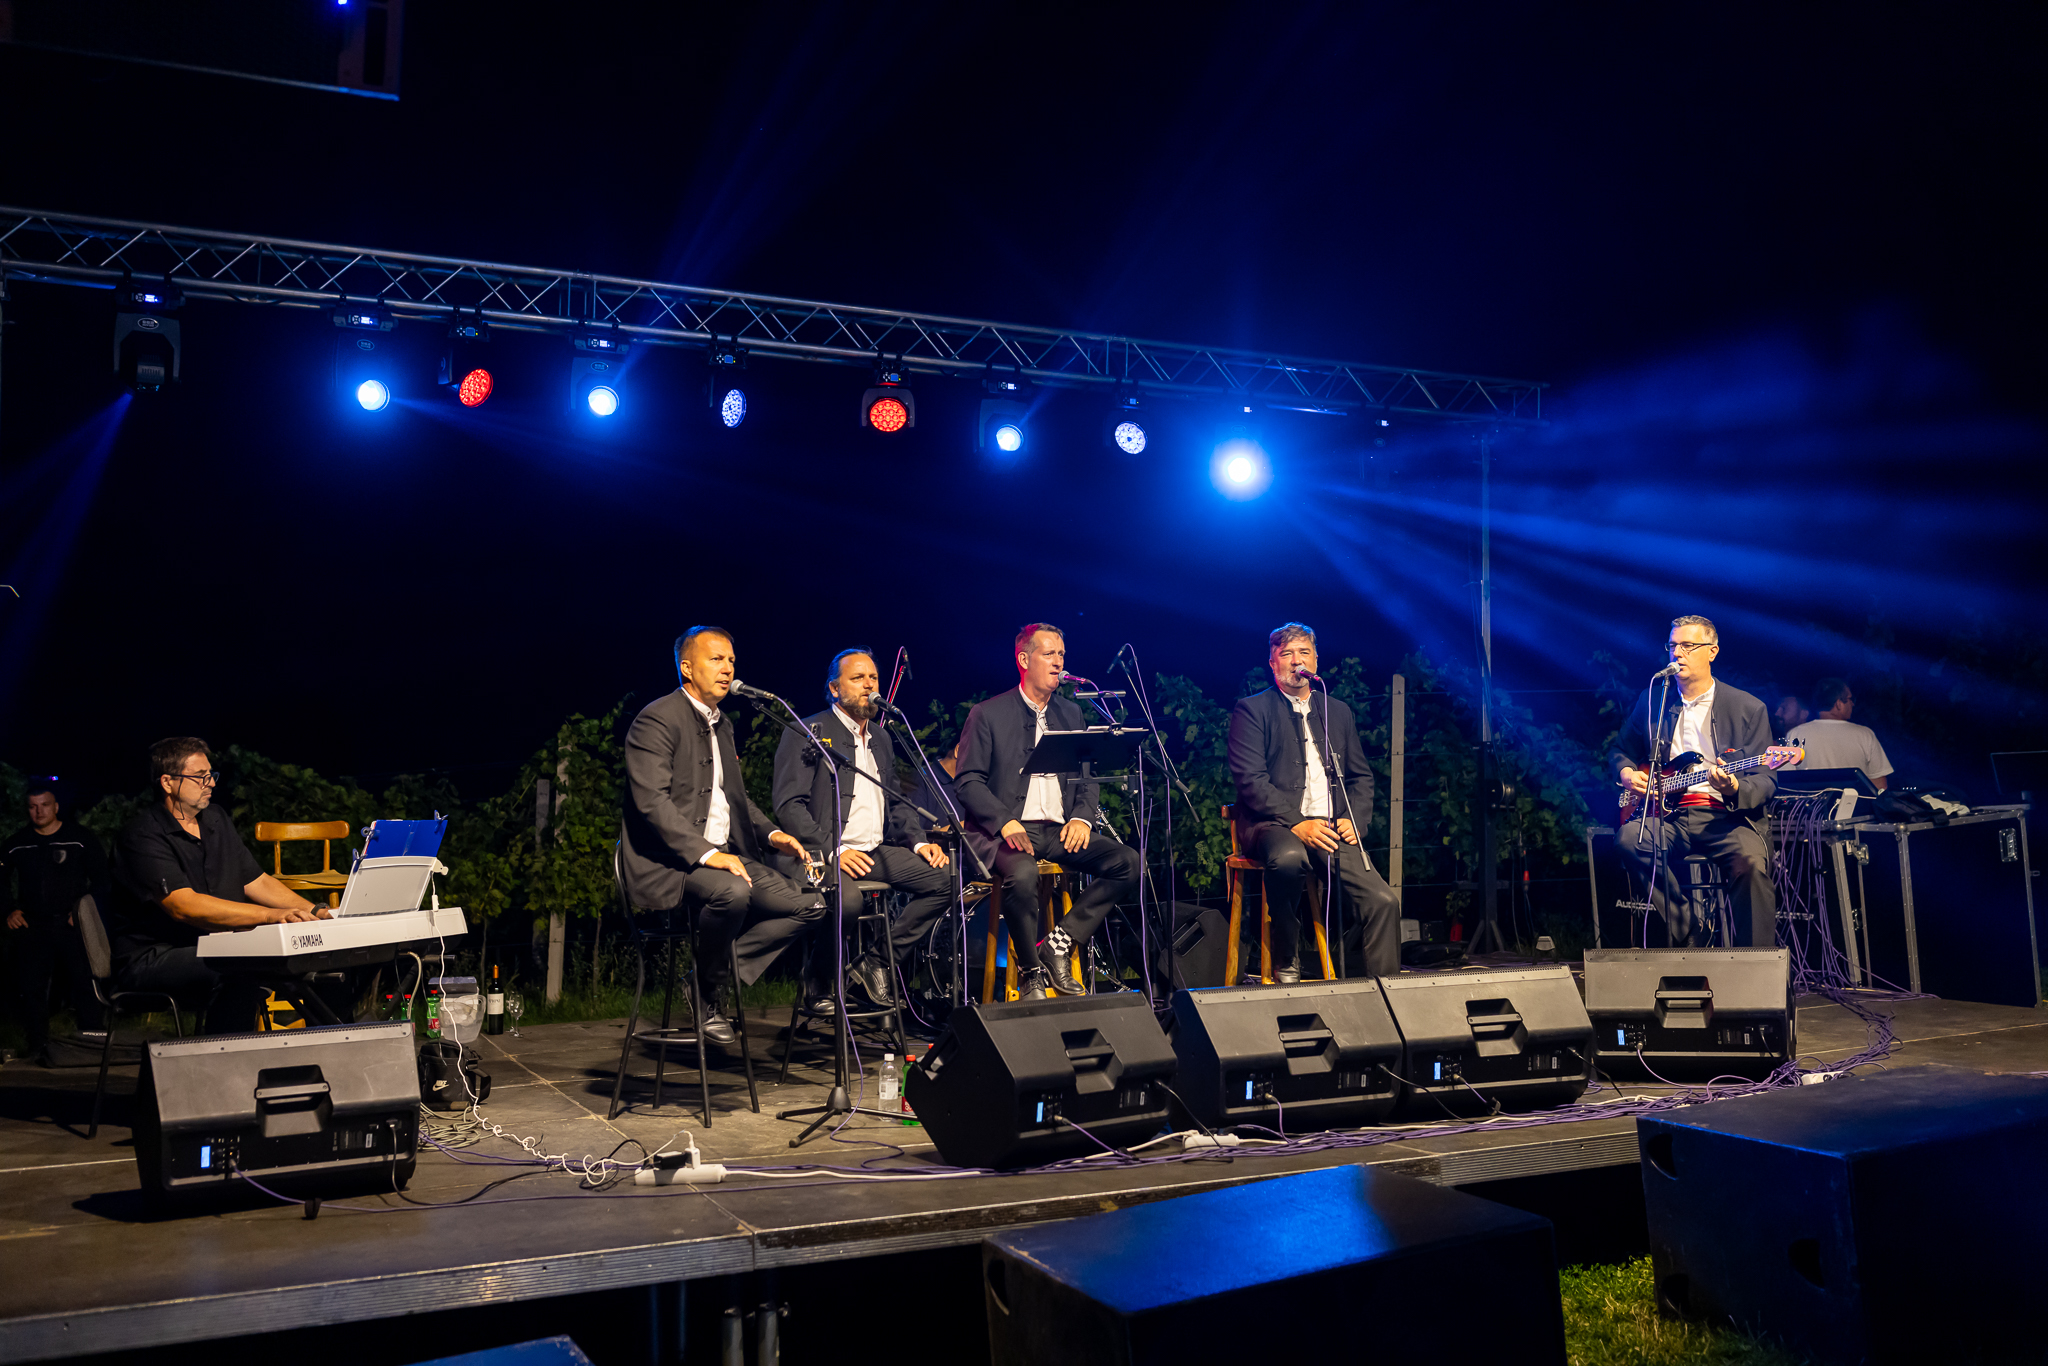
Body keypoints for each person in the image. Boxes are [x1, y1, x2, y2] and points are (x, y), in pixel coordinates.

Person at [619, 626, 826, 1046]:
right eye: (716, 659)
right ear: (686, 667)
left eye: (731, 660)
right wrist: (706, 854)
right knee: (732, 892)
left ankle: (706, 976)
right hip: (669, 861)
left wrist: (773, 835)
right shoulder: (657, 718)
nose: (728, 668)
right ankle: (707, 994)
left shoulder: (722, 724)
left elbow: (735, 798)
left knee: (814, 904)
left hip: (723, 856)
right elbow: (652, 802)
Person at [954, 623, 1140, 999]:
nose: (1058, 662)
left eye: (1062, 655)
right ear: (1024, 659)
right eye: (1049, 654)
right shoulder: (988, 714)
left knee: (1128, 862)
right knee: (1022, 875)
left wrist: (1082, 817)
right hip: (1005, 833)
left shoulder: (1071, 713)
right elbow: (967, 782)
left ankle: (1058, 944)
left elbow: (1088, 776)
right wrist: (1004, 821)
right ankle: (1030, 972)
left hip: (1057, 831)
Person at [108, 738, 332, 1035]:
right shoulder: (142, 835)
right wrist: (271, 916)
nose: (211, 783)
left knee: (325, 959)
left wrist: (315, 912)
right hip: (153, 958)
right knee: (238, 967)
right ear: (167, 782)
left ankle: (336, 1043)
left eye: (211, 775)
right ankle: (227, 1058)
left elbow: (256, 881)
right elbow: (183, 906)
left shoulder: (216, 819)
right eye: (200, 776)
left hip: (217, 946)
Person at [772, 648, 951, 1012]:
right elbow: (789, 805)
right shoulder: (807, 730)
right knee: (848, 899)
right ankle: (818, 980)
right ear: (834, 688)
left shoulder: (881, 738)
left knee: (946, 879)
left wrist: (919, 843)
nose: (869, 685)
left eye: (873, 678)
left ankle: (877, 962)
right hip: (821, 853)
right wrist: (833, 850)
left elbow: (896, 802)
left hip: (873, 852)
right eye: (857, 678)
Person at [1225, 623, 1401, 981]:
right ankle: (1286, 952)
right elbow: (1250, 780)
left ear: (1316, 661)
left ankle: (1386, 993)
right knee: (1289, 858)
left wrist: (1354, 820)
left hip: (1330, 826)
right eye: (1287, 654)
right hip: (1272, 823)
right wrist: (1297, 822)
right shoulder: (1252, 709)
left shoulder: (1337, 711)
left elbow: (1360, 777)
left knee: (1384, 902)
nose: (1296, 661)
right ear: (1273, 663)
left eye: (1303, 653)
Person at [1609, 616, 1778, 947]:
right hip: (1670, 816)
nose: (1677, 653)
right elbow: (1620, 750)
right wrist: (1627, 773)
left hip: (1729, 818)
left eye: (1688, 646)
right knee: (1629, 840)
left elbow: (1766, 780)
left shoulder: (1748, 707)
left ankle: (1757, 961)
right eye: (1673, 646)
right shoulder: (1653, 700)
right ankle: (1690, 933)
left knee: (1751, 867)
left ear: (1712, 651)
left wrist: (1735, 788)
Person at [4, 782, 108, 1060]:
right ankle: (37, 1046)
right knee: (31, 988)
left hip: (72, 923)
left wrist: (84, 910)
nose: (39, 811)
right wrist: (9, 910)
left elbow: (102, 879)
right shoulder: (17, 842)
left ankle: (95, 1044)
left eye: (45, 805)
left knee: (83, 982)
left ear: (56, 806)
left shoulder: (79, 837)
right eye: (33, 806)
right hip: (33, 924)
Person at [1787, 678, 1893, 791]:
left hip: (1812, 802)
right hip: (1857, 802)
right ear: (1838, 704)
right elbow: (1880, 785)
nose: (1853, 704)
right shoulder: (1865, 735)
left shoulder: (1796, 734)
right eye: (1850, 699)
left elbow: (1785, 780)